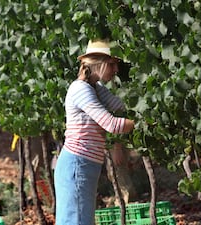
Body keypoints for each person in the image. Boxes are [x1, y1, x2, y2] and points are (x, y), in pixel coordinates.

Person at [54, 39, 135, 225]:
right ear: (99, 63)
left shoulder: (96, 88)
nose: (116, 70)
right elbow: (112, 124)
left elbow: (121, 107)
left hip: (85, 165)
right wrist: (144, 124)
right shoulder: (80, 89)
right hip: (76, 165)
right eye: (112, 64)